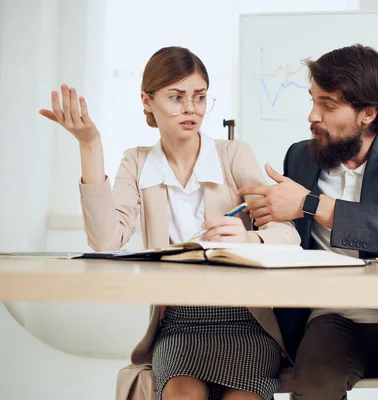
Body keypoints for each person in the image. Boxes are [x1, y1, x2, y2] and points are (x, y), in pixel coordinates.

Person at [40, 46, 300, 400]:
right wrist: (90, 145)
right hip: (179, 323)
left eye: (200, 97)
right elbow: (105, 241)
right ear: (147, 101)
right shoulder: (136, 162)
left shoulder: (233, 154)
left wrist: (250, 240)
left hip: (245, 320)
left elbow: (287, 233)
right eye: (176, 97)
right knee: (181, 395)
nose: (190, 108)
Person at [237, 44, 378, 400]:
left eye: (328, 105)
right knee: (314, 387)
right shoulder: (301, 155)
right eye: (313, 100)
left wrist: (310, 204)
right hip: (330, 317)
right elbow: (285, 236)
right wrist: (260, 219)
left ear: (368, 113)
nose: (312, 116)